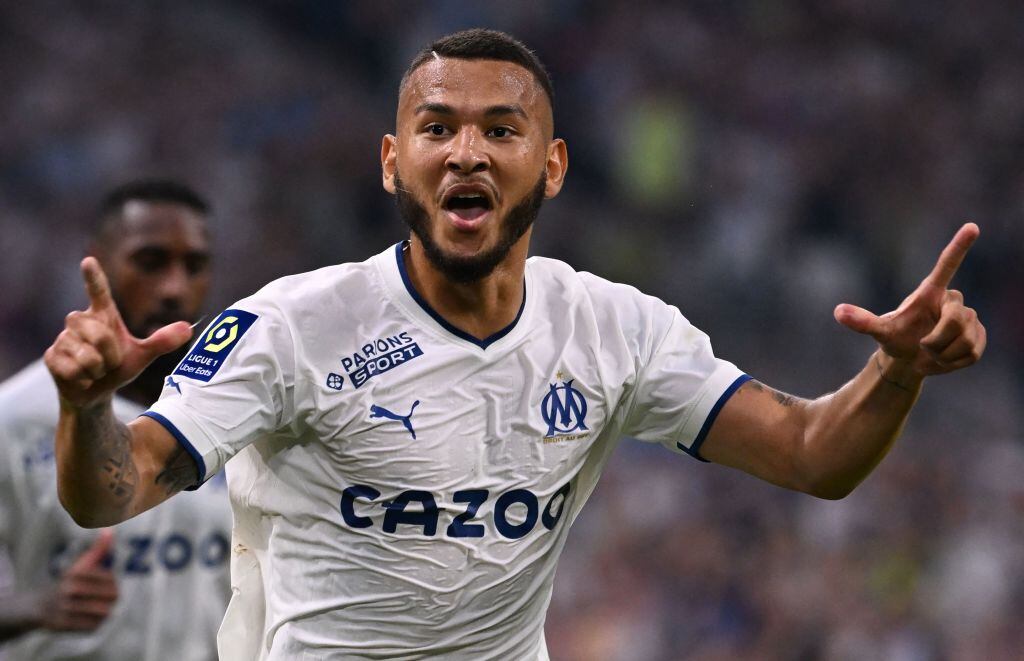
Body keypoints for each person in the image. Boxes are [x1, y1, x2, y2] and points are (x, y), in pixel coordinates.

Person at [43, 30, 986, 660]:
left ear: (554, 164)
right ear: (391, 160)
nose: (467, 153)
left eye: (502, 128)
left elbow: (813, 456)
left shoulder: (616, 330)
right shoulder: (294, 325)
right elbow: (110, 491)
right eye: (437, 127)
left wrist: (896, 370)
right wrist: (88, 405)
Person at [0, 179, 232, 660]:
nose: (174, 288)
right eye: (150, 262)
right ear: (99, 263)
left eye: (194, 265)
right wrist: (33, 607)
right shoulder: (15, 418)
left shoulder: (239, 409)